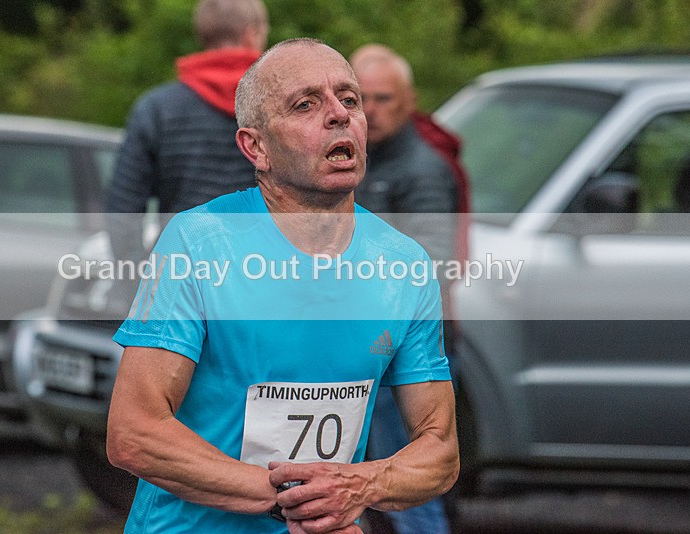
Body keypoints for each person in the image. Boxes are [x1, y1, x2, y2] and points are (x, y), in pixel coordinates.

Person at [106, 38, 459, 533]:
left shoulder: (404, 265)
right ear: (257, 147)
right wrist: (300, 500)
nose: (338, 115)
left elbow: (440, 450)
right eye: (306, 104)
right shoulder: (199, 243)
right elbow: (134, 433)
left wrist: (359, 487)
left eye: (349, 99)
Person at [350, 44, 465, 534]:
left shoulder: (422, 170)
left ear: (409, 99)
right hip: (373, 348)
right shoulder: (362, 161)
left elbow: (430, 271)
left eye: (383, 98)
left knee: (411, 490)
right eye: (360, 99)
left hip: (405, 353)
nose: (370, 111)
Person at [105, 0, 270, 268]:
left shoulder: (157, 109)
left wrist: (140, 280)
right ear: (251, 34)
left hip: (180, 269)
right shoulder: (281, 107)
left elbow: (123, 212)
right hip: (262, 271)